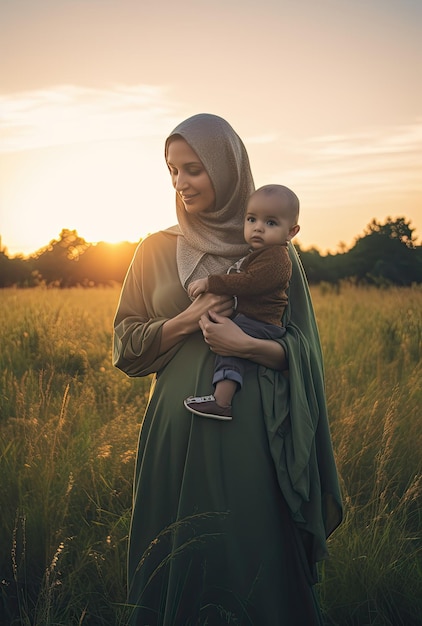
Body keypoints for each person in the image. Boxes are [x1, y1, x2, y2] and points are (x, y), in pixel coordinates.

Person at [113, 113, 342, 626]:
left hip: (251, 432)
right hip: (174, 433)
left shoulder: (271, 250)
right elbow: (126, 347)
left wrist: (248, 345)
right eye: (172, 170)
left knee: (246, 555)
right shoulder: (153, 249)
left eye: (193, 168)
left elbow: (304, 352)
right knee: (177, 556)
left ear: (227, 167)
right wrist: (183, 322)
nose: (180, 183)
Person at [184, 183, 300, 420]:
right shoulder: (260, 254)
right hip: (257, 319)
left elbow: (250, 283)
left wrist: (211, 283)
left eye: (271, 223)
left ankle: (222, 401)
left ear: (291, 232)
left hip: (262, 322)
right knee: (229, 343)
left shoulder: (277, 258)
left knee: (230, 348)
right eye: (251, 220)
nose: (258, 228)